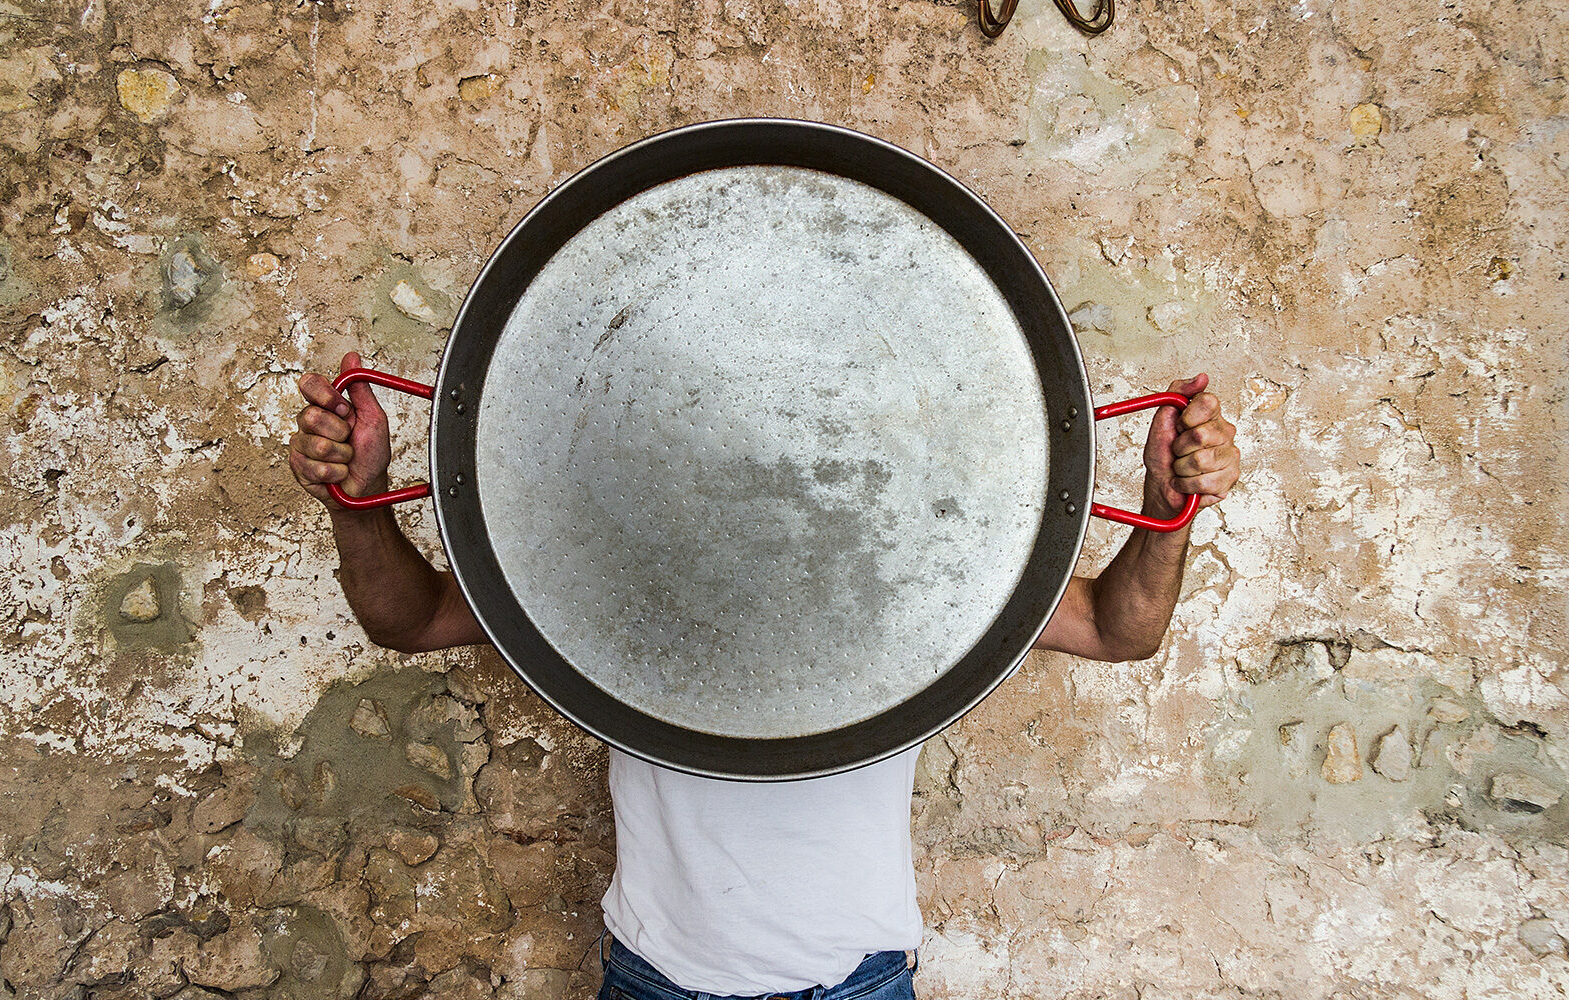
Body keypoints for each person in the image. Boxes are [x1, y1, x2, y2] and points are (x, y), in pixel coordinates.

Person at [289, 350, 1240, 1000]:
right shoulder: (613, 577)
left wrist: (1167, 508)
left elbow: (1122, 633)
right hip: (658, 978)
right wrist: (360, 502)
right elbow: (409, 620)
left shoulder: (921, 580)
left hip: (856, 982)